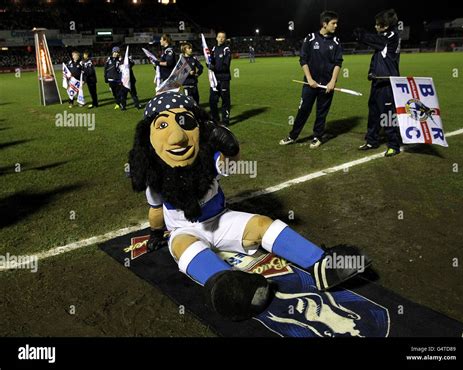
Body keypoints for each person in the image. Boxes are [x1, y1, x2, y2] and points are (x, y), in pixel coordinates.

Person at [128, 92, 371, 321]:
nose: (177, 136)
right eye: (162, 126)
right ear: (147, 137)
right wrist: (156, 233)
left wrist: (229, 146)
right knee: (184, 247)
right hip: (184, 230)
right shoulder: (155, 176)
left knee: (261, 224)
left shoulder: (207, 158)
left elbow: (231, 164)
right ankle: (230, 287)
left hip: (221, 220)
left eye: (185, 122)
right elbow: (156, 210)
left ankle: (321, 263)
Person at [280, 11, 343, 149]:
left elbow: (338, 62)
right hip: (310, 84)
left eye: (336, 23)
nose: (336, 26)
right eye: (333, 23)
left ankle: (317, 137)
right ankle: (293, 136)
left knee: (322, 112)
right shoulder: (310, 38)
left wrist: (333, 81)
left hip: (327, 85)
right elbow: (303, 59)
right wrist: (309, 78)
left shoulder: (336, 41)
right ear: (324, 24)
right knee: (303, 110)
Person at [353, 9, 401, 157]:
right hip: (377, 81)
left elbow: (373, 40)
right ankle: (372, 140)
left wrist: (359, 33)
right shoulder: (385, 38)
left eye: (377, 25)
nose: (375, 27)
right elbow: (377, 57)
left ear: (385, 26)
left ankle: (394, 144)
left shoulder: (390, 37)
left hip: (387, 83)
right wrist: (371, 73)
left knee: (388, 115)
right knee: (373, 113)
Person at [209, 31, 232, 126]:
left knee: (225, 100)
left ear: (225, 39)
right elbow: (211, 61)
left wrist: (214, 68)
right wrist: (209, 64)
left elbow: (226, 66)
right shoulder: (213, 49)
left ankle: (225, 121)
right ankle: (216, 119)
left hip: (224, 79)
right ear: (216, 38)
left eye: (223, 37)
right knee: (212, 101)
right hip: (214, 80)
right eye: (219, 37)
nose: (221, 39)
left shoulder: (227, 49)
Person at [104, 46, 125, 110]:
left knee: (119, 92)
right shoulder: (109, 59)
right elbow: (105, 68)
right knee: (114, 93)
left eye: (117, 52)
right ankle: (117, 103)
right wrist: (105, 77)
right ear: (112, 52)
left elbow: (123, 69)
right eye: (115, 52)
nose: (116, 53)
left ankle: (120, 104)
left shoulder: (120, 59)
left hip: (118, 79)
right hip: (110, 79)